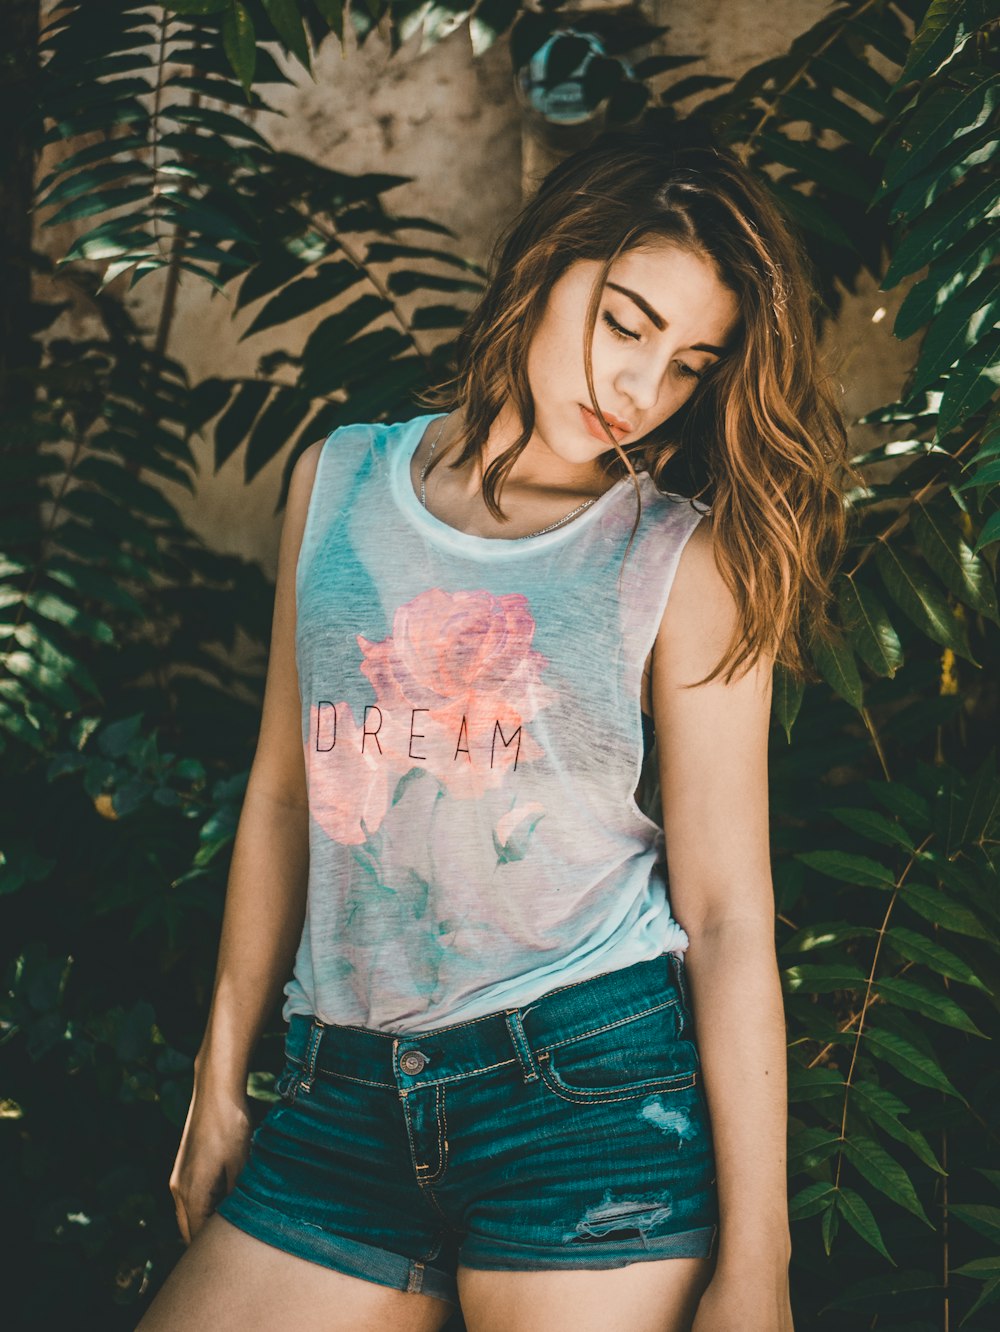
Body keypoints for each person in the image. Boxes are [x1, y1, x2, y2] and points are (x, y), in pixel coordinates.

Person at [137, 119, 850, 1331]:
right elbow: (279, 793)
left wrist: (760, 1261)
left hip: (583, 1105)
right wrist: (219, 1078)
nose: (640, 384)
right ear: (546, 260)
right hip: (338, 1098)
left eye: (688, 362)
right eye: (626, 321)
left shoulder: (679, 560)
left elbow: (728, 915)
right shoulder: (341, 481)